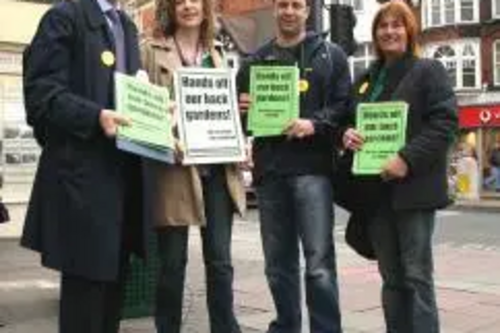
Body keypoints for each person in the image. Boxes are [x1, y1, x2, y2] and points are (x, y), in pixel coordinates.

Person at [21, 0, 146, 332]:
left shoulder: (127, 26)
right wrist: (95, 117)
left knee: (112, 299)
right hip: (83, 181)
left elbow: (132, 96)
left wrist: (158, 118)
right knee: (85, 301)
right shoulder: (63, 17)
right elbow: (41, 95)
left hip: (124, 179)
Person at [342, 2, 458, 332]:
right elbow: (350, 122)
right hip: (375, 194)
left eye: (397, 25)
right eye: (383, 26)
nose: (389, 31)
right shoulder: (365, 79)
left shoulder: (428, 71)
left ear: (410, 31)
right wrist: (345, 134)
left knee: (417, 276)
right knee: (391, 278)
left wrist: (406, 158)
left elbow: (445, 124)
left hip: (413, 192)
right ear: (375, 33)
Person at [237, 0, 352, 331]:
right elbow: (241, 124)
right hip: (270, 173)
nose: (289, 11)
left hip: (313, 171)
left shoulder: (331, 56)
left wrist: (313, 124)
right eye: (283, 4)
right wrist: (243, 110)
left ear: (307, 11)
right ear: (275, 9)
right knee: (277, 265)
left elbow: (344, 108)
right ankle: (286, 326)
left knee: (318, 263)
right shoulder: (253, 63)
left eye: (296, 5)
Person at [141, 0, 246, 332]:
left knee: (220, 263)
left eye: (195, 1)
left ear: (206, 8)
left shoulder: (217, 53)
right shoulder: (151, 51)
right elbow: (142, 109)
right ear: (171, 9)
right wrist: (162, 142)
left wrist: (237, 130)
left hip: (216, 170)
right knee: (171, 264)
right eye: (180, 1)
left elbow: (221, 110)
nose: (188, 6)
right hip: (173, 170)